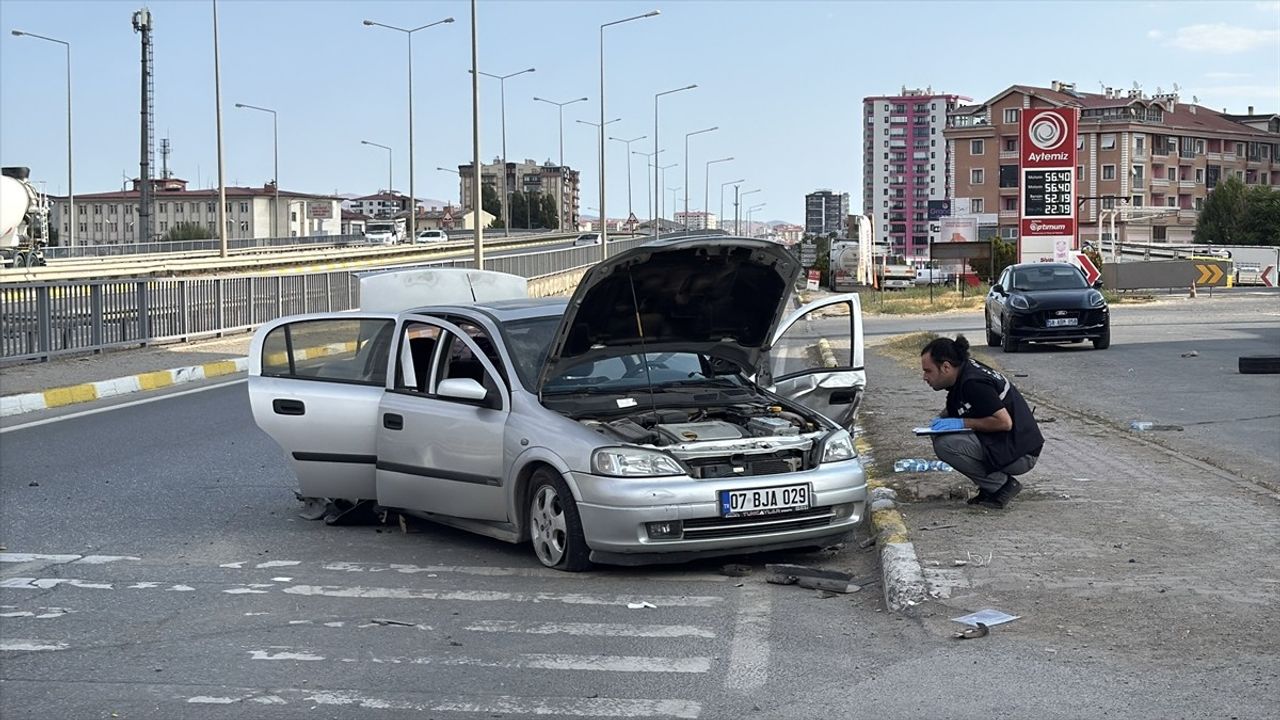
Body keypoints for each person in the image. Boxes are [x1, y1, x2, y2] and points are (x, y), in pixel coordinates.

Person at [920, 335, 1043, 509]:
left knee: (946, 444)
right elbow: (968, 404)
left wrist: (961, 423)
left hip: (1022, 454)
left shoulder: (974, 383)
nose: (924, 377)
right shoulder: (966, 371)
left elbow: (1004, 422)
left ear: (946, 367)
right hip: (1012, 444)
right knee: (941, 435)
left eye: (928, 371)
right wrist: (943, 419)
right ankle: (990, 487)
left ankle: (1001, 486)